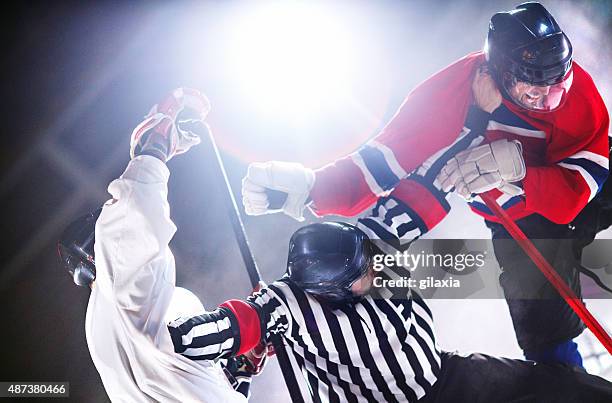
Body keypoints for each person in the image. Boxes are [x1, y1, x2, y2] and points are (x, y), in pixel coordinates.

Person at [240, 2, 609, 367]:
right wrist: (313, 188)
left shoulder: (574, 90)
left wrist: (522, 171)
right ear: (501, 73)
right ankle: (571, 386)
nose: (548, 101)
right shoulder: (447, 96)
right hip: (518, 219)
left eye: (557, 88)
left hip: (575, 189)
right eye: (534, 93)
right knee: (544, 326)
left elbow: (580, 187)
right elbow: (383, 167)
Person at [167, 219, 612, 402]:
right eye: (362, 274)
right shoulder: (286, 302)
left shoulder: (372, 254)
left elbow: (445, 244)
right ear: (330, 289)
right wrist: (238, 344)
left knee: (565, 389)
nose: (376, 272)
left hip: (451, 379)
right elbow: (193, 338)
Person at [57, 88, 263, 402]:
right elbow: (131, 216)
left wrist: (241, 369)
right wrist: (154, 148)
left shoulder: (117, 323)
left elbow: (190, 383)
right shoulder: (121, 289)